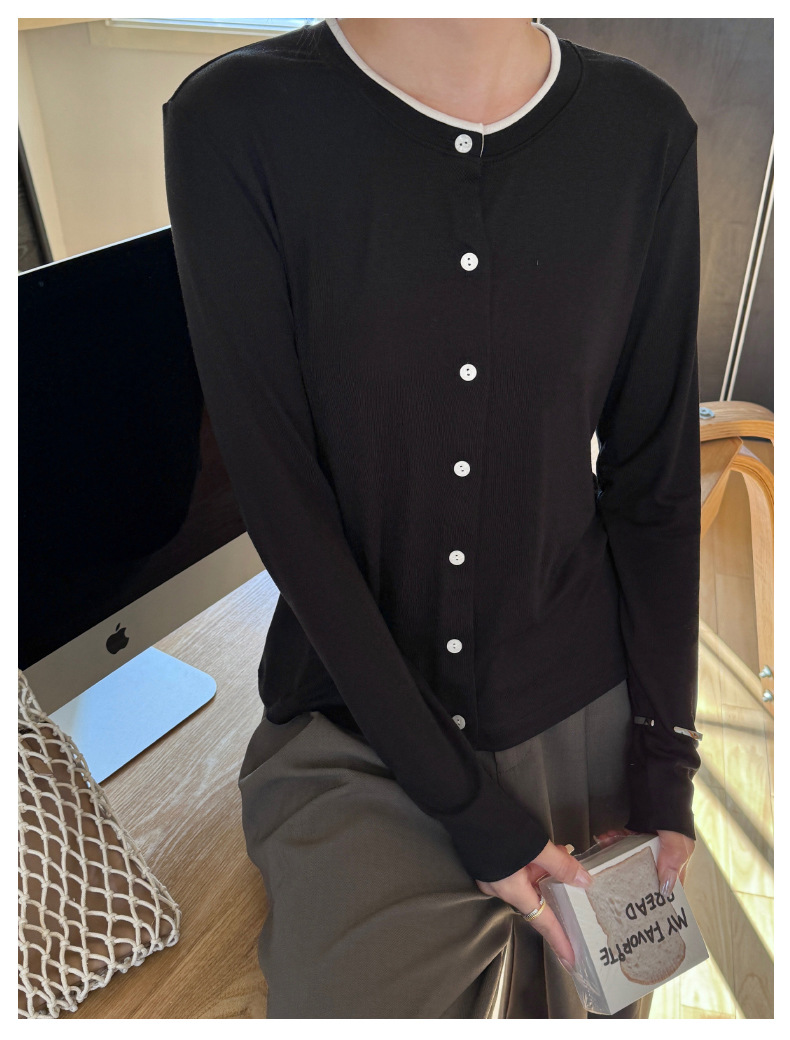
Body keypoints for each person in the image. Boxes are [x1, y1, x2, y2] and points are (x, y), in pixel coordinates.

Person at [162, 16, 702, 1018]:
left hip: (582, 694)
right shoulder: (235, 119)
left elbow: (654, 482)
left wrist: (666, 757)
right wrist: (467, 809)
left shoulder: (645, 131)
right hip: (355, 713)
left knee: (604, 999)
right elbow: (283, 500)